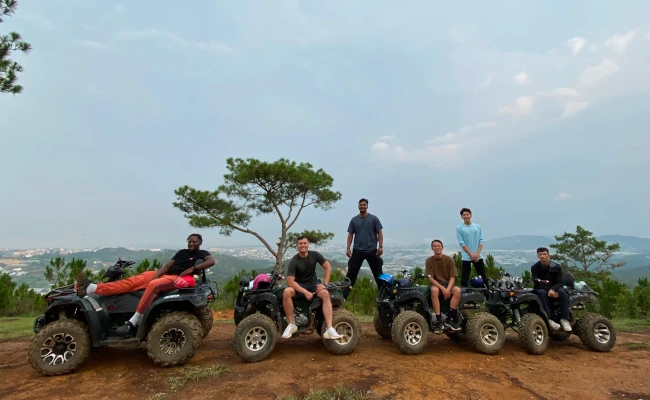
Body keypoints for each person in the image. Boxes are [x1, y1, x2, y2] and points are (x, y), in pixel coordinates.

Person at [76, 233, 215, 336]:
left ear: (199, 243)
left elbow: (211, 261)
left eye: (194, 242)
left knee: (153, 285)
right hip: (165, 274)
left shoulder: (202, 253)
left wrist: (192, 269)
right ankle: (93, 288)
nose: (191, 244)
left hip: (177, 279)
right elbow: (167, 266)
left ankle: (134, 320)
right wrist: (156, 275)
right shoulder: (181, 253)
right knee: (132, 281)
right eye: (189, 242)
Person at [281, 236, 343, 340]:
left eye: (305, 243)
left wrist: (325, 284)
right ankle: (292, 324)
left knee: (325, 294)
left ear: (308, 244)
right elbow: (290, 281)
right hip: (300, 286)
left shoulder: (315, 255)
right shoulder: (294, 261)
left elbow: (328, 267)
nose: (303, 245)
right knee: (287, 292)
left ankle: (329, 328)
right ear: (297, 246)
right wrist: (305, 292)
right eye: (300, 244)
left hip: (313, 284)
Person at [345, 198, 384, 298]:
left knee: (378, 275)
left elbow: (379, 232)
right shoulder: (354, 220)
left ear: (367, 206)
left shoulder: (374, 219)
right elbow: (350, 234)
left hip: (372, 250)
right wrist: (348, 248)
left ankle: (384, 297)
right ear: (358, 206)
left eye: (364, 205)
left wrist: (380, 247)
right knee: (350, 275)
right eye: (360, 205)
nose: (362, 206)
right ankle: (343, 297)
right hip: (357, 250)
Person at [424, 240, 462, 333]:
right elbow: (430, 278)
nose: (437, 248)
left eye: (439, 246)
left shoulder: (449, 260)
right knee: (434, 290)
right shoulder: (429, 261)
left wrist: (448, 290)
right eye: (435, 246)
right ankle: (438, 320)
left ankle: (451, 318)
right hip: (436, 284)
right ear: (432, 248)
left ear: (442, 247)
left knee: (457, 290)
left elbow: (453, 277)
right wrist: (443, 289)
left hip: (448, 284)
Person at [530, 247, 571, 332]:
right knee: (541, 293)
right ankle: (549, 318)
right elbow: (537, 282)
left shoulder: (556, 267)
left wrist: (553, 289)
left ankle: (564, 319)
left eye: (544, 254)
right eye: (540, 254)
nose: (542, 256)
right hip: (541, 288)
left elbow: (560, 282)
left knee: (562, 292)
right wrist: (549, 290)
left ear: (548, 255)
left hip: (555, 287)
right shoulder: (535, 267)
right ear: (538, 256)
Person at [456, 207, 488, 288]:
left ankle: (487, 296)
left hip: (478, 256)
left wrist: (477, 254)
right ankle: (463, 296)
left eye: (467, 214)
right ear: (462, 217)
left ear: (471, 215)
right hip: (466, 257)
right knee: (464, 279)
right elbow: (461, 243)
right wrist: (471, 255)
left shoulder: (477, 226)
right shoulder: (459, 228)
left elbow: (481, 241)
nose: (466, 216)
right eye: (464, 215)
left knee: (483, 278)